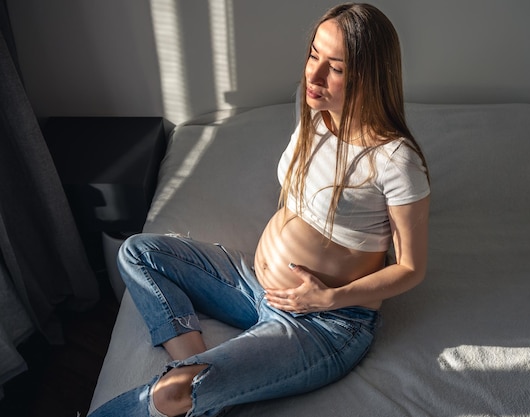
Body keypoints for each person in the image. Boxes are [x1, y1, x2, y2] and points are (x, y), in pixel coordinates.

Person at [88, 3, 430, 416]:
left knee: (172, 394)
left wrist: (330, 296)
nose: (314, 75)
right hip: (255, 285)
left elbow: (411, 268)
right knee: (138, 252)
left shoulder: (395, 160)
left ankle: (189, 382)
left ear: (369, 76)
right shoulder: (317, 118)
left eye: (335, 68)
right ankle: (194, 365)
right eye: (313, 56)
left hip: (323, 321)